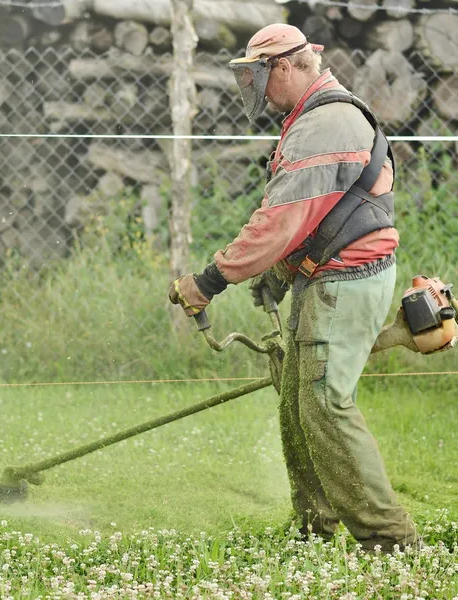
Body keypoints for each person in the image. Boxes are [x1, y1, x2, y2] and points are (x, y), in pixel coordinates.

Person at [168, 23, 417, 552]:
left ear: (284, 67)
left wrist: (210, 281)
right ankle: (315, 530)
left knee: (326, 405)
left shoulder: (326, 123)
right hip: (327, 274)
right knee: (298, 406)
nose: (252, 88)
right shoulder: (312, 118)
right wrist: (279, 276)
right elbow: (316, 218)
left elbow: (279, 220)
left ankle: (390, 540)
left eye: (256, 75)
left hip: (347, 278)